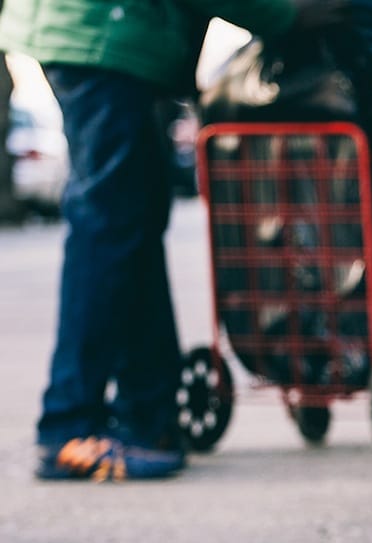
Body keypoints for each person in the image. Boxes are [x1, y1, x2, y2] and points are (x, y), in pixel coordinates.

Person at [0, 0, 342, 480]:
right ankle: (68, 426)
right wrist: (285, 17)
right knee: (108, 224)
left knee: (132, 225)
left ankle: (148, 416)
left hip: (104, 33)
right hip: (102, 35)